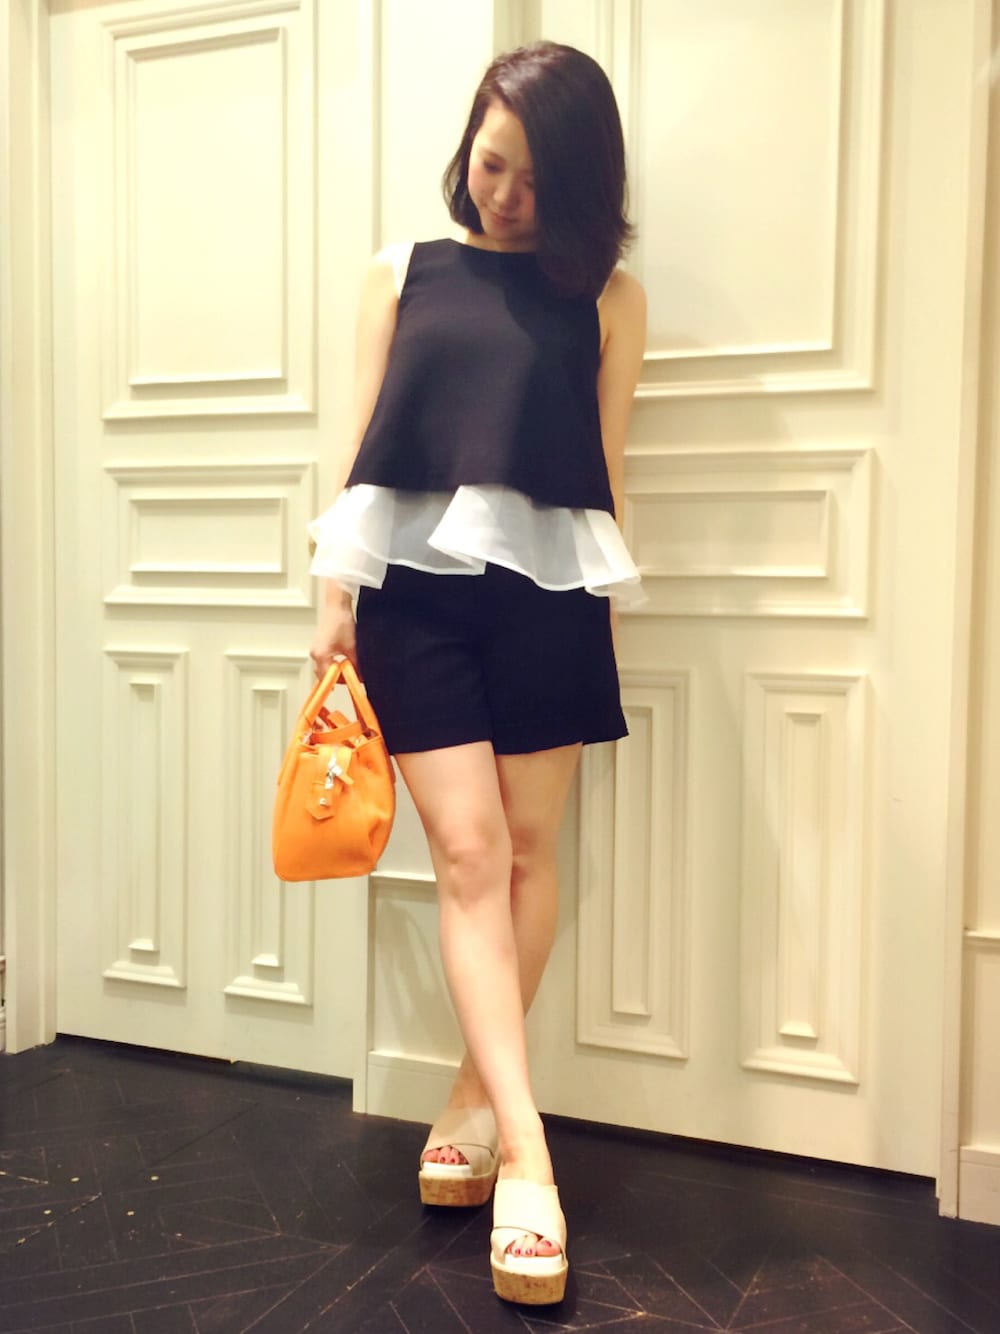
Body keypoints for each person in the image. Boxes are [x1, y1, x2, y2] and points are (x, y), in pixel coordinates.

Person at [308, 40, 646, 1307]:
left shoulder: (610, 297)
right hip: (416, 601)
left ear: (582, 182)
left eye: (535, 179)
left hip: (549, 595)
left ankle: (470, 1093)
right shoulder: (399, 272)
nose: (504, 194)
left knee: (525, 852)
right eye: (491, 163)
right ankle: (531, 1157)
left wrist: (606, 611)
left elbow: (606, 463)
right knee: (465, 852)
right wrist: (332, 599)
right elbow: (356, 448)